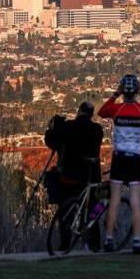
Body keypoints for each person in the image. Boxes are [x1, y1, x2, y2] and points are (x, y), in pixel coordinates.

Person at [98, 73, 140, 255]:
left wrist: (116, 95)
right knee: (135, 202)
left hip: (119, 157)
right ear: (137, 90)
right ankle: (137, 242)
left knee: (114, 199)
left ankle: (108, 240)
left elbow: (102, 112)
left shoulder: (116, 109)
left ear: (123, 91)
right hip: (135, 158)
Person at [44, 101, 104, 251]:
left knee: (66, 211)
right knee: (93, 211)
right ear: (91, 114)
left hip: (70, 177)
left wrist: (53, 126)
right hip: (92, 176)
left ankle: (65, 244)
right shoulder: (97, 130)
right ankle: (95, 244)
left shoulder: (68, 127)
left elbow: (51, 142)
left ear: (79, 111)